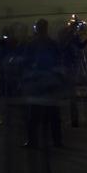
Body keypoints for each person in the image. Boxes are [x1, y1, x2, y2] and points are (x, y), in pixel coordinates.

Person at [21, 20, 64, 149]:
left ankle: (32, 141)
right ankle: (57, 140)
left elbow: (26, 64)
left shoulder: (32, 44)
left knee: (33, 116)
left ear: (37, 29)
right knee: (54, 115)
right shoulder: (53, 44)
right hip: (50, 82)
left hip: (36, 83)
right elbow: (59, 62)